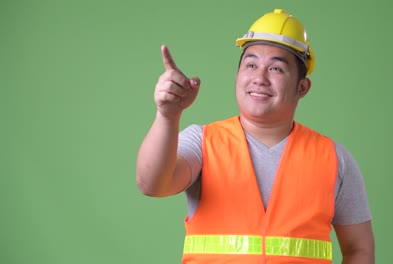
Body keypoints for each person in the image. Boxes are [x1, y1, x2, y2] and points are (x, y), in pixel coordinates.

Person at [136, 8, 375, 264]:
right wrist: (167, 116)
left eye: (276, 68)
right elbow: (152, 184)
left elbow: (359, 249)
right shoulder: (203, 143)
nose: (259, 78)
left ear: (302, 87)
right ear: (238, 75)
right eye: (250, 65)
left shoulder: (334, 158)